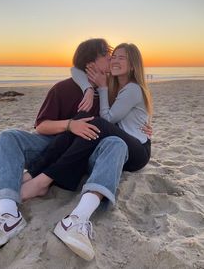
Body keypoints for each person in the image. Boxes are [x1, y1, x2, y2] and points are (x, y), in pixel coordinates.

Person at [0, 38, 151, 261]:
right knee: (8, 137)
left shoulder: (111, 90)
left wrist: (144, 129)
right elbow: (42, 126)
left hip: (91, 153)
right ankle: (7, 212)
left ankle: (76, 215)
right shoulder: (64, 88)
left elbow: (125, 116)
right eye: (108, 56)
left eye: (117, 57)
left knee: (116, 142)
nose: (112, 60)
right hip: (54, 145)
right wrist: (70, 124)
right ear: (92, 63)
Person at [20, 42, 152, 260]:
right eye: (113, 56)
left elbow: (107, 120)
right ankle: (36, 175)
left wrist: (99, 88)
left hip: (138, 152)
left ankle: (40, 177)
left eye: (122, 58)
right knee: (80, 122)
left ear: (132, 66)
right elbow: (75, 70)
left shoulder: (132, 89)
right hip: (123, 145)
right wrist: (89, 88)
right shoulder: (114, 84)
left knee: (92, 123)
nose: (115, 60)